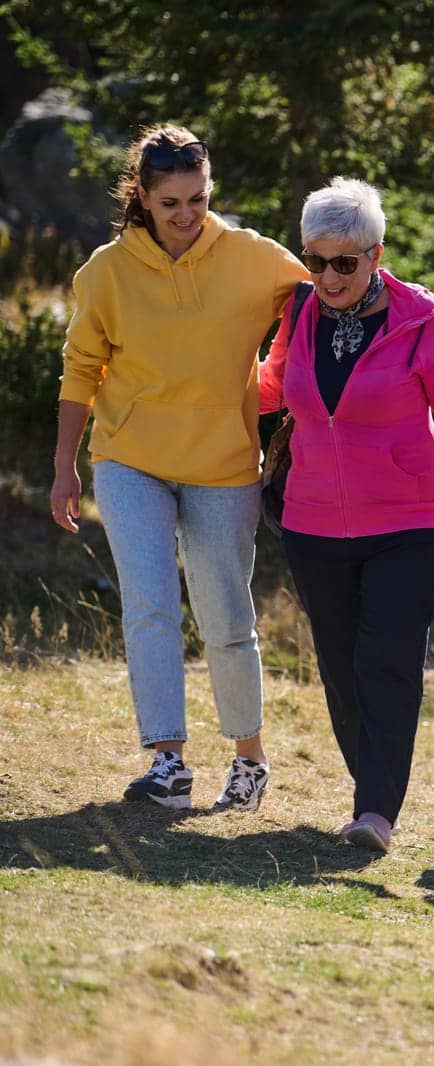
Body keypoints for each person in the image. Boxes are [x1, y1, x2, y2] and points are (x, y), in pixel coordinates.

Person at [258, 177, 434, 852]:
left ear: (377, 255)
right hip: (315, 522)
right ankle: (373, 789)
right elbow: (271, 384)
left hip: (412, 522)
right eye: (315, 260)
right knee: (343, 671)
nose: (327, 275)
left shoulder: (418, 317)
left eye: (343, 262)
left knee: (388, 660)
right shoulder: (300, 312)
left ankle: (375, 810)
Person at [51, 126, 308, 811]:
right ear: (142, 197)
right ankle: (168, 763)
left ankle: (248, 763)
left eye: (197, 198)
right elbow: (81, 369)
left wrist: (282, 383)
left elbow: (320, 295)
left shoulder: (252, 257)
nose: (187, 214)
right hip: (130, 460)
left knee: (226, 614)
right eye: (171, 203)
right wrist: (63, 468)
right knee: (151, 608)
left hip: (223, 464)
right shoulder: (106, 271)